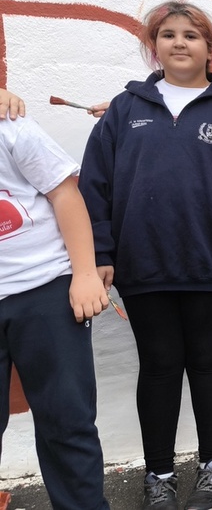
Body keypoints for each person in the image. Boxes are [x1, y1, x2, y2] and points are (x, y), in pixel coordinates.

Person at [78, 1, 212, 510]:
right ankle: (159, 475)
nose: (180, 42)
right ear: (155, 45)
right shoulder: (125, 109)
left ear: (210, 47)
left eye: (192, 35)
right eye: (168, 34)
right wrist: (100, 251)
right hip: (143, 266)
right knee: (161, 365)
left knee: (208, 361)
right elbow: (94, 186)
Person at [0, 114, 110, 510]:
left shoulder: (10, 126)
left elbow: (64, 194)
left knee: (67, 420)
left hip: (43, 288)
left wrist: (83, 273)